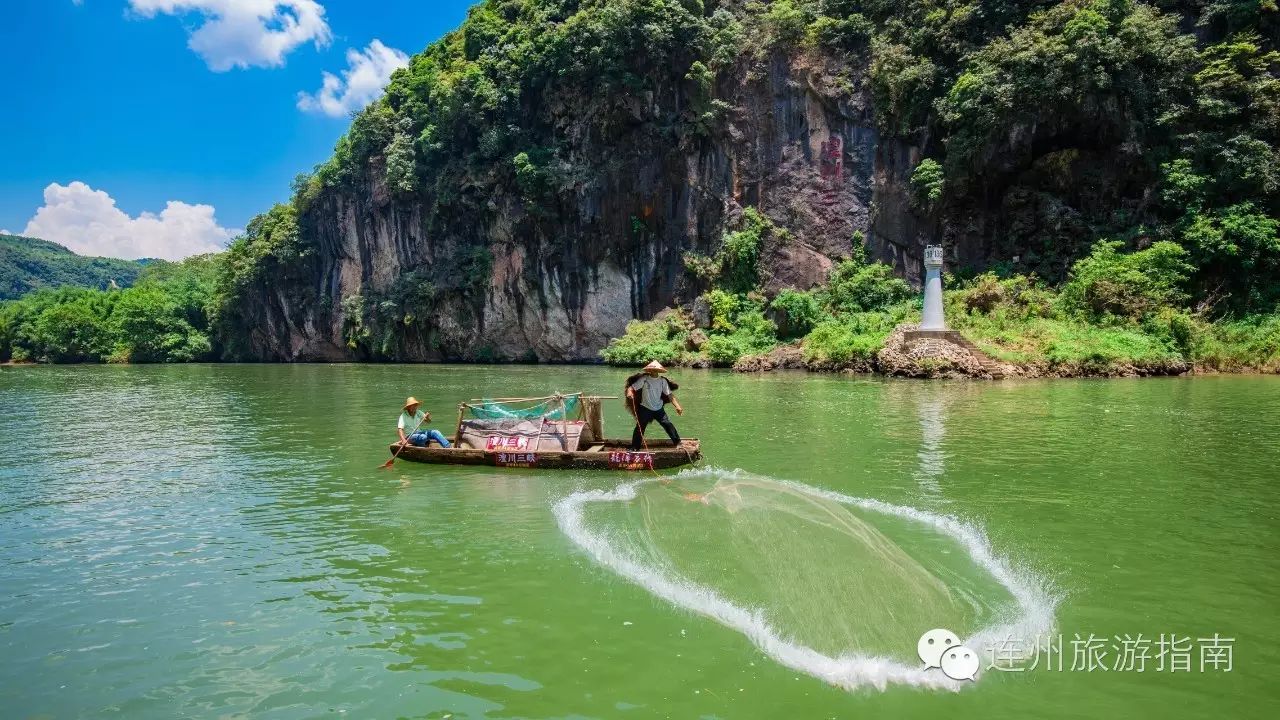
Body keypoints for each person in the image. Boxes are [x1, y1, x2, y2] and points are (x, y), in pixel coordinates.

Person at [627, 361, 683, 450]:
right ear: (649, 370)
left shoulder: (662, 381)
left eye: (655, 369)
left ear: (658, 370)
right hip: (645, 408)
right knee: (640, 428)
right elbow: (632, 388)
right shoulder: (644, 379)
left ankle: (678, 443)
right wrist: (629, 393)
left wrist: (677, 406)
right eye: (652, 369)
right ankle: (634, 447)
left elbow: (669, 395)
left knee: (667, 424)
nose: (653, 371)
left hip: (658, 409)